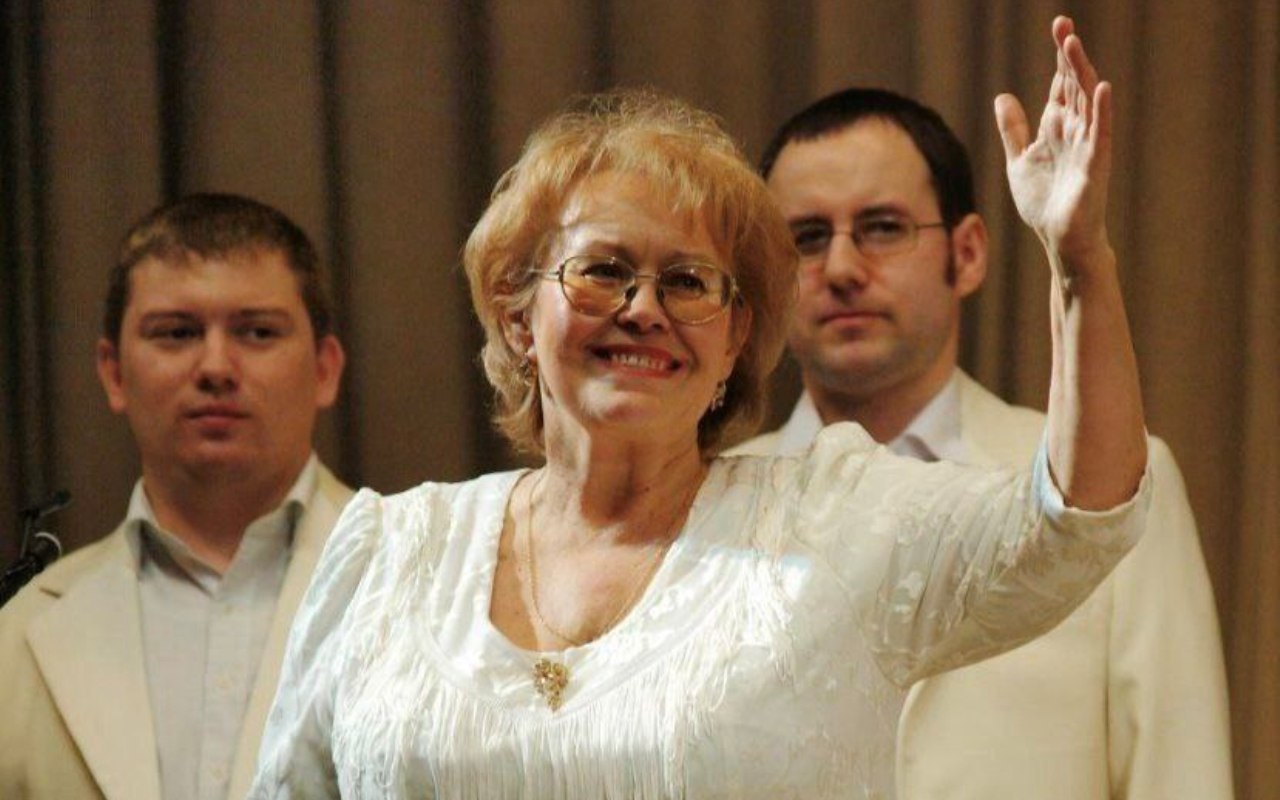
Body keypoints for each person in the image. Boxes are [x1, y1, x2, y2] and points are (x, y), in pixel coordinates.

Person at [251, 18, 1150, 798]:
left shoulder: (831, 524)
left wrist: (1079, 264)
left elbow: (1074, 519)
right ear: (519, 315)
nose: (644, 308)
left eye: (687, 282)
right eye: (603, 270)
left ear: (733, 340)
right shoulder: (386, 554)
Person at [734, 31, 1233, 800]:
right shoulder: (711, 499)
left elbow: (1179, 771)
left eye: (882, 228)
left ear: (966, 254)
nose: (841, 267)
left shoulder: (1106, 480)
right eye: (805, 239)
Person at [0, 193, 353, 800]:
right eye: (177, 333)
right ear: (114, 372)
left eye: (257, 332)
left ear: (325, 369)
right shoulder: (18, 628)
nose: (216, 367)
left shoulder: (436, 590)